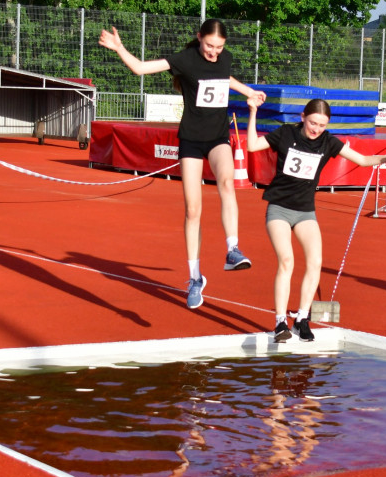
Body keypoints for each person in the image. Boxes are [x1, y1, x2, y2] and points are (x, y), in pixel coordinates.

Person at [98, 19, 266, 309]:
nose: (214, 52)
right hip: (191, 139)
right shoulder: (185, 59)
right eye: (209, 46)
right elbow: (140, 68)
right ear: (199, 38)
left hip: (217, 137)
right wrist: (119, 48)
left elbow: (225, 78)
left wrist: (248, 92)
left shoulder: (224, 58)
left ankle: (232, 249)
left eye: (219, 47)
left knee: (227, 182)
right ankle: (194, 278)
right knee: (192, 210)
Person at [246, 97, 386, 342]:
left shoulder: (328, 141)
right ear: (302, 117)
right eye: (313, 123)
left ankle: (301, 319)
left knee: (315, 261)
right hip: (279, 208)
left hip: (305, 211)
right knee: (286, 260)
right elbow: (253, 146)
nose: (316, 129)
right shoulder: (286, 133)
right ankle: (279, 322)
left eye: (321, 125)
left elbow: (362, 160)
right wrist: (253, 112)